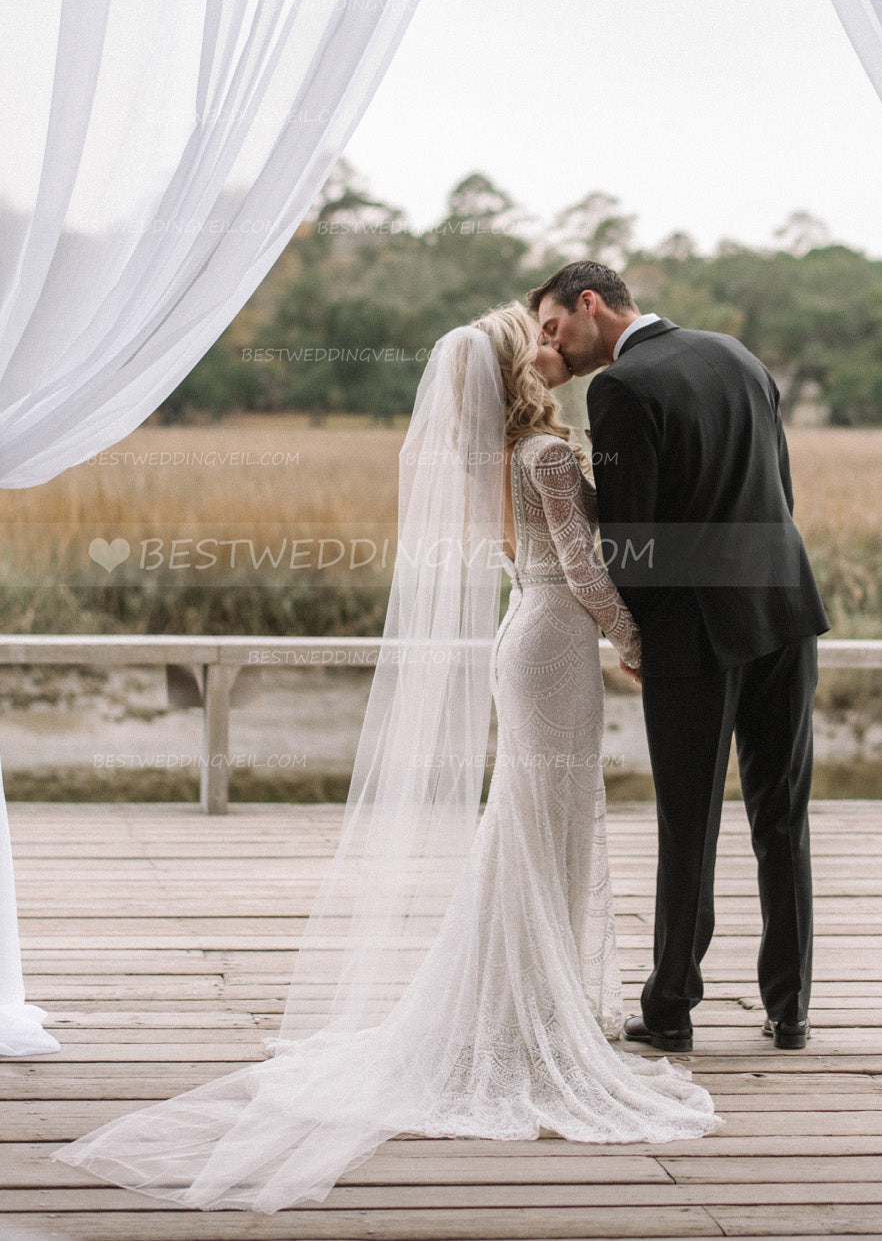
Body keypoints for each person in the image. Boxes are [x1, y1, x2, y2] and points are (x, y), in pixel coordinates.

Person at [54, 303, 717, 1213]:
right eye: (541, 344)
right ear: (519, 371)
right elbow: (588, 568)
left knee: (527, 823)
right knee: (541, 824)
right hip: (557, 643)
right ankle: (529, 1020)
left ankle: (524, 1005)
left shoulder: (496, 457)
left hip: (525, 636)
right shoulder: (549, 456)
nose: (554, 349)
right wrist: (635, 640)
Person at [530, 262, 830, 1055]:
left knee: (687, 820)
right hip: (786, 605)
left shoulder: (622, 389)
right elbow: (781, 490)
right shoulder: (737, 353)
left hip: (696, 630)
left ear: (589, 303)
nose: (554, 346)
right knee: (783, 811)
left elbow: (630, 543)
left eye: (556, 327)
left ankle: (670, 1009)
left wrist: (638, 636)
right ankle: (791, 1006)